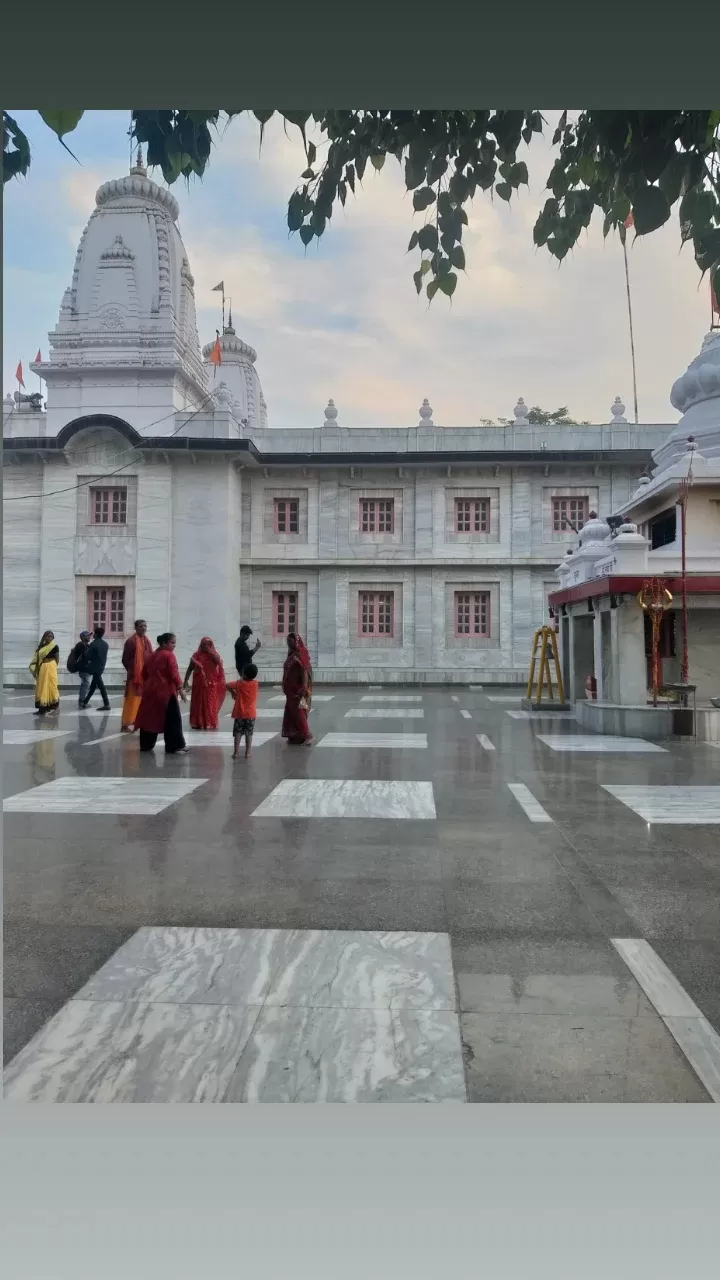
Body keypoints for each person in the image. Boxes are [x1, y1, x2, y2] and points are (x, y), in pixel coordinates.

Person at [135, 632, 188, 754]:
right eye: (172, 643)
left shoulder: (151, 656)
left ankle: (146, 745)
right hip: (166, 692)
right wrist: (181, 688)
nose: (174, 646)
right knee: (173, 719)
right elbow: (174, 673)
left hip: (150, 691)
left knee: (149, 717)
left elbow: (144, 674)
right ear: (164, 643)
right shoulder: (168, 655)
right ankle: (175, 745)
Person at [183, 636, 225, 730]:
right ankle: (198, 723)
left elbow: (219, 662)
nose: (206, 646)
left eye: (209, 644)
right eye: (204, 644)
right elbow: (190, 668)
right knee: (198, 703)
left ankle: (210, 722)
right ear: (201, 645)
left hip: (211, 684)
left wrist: (211, 652)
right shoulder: (196, 655)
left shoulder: (214, 655)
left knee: (210, 703)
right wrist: (186, 680)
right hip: (198, 684)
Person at [281, 632, 313, 746]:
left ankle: (307, 735)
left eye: (291, 641)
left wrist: (304, 688)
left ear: (297, 641)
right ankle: (295, 735)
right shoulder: (292, 654)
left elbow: (304, 671)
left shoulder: (299, 654)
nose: (288, 643)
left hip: (298, 690)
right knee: (291, 712)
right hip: (290, 689)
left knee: (299, 712)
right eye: (287, 641)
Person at [121, 620, 153, 732]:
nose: (143, 628)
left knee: (142, 700)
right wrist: (133, 671)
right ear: (136, 628)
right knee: (132, 699)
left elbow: (151, 657)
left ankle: (137, 721)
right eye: (140, 626)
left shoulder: (147, 641)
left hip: (145, 676)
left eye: (145, 626)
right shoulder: (131, 641)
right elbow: (125, 659)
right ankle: (125, 724)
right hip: (134, 677)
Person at [224, 661, 259, 759]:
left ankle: (235, 752)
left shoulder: (239, 684)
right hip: (251, 714)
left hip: (239, 713)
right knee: (249, 733)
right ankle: (248, 753)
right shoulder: (255, 684)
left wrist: (233, 692)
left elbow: (227, 685)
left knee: (238, 733)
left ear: (244, 674)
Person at [30, 630, 60, 716]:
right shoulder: (42, 646)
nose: (50, 638)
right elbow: (37, 656)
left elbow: (57, 659)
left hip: (51, 666)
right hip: (42, 667)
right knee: (41, 686)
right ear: (44, 637)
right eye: (48, 636)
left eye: (51, 636)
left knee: (52, 686)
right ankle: (42, 709)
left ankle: (56, 708)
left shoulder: (54, 646)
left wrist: (53, 666)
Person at [80, 625, 111, 710]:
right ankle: (85, 702)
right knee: (93, 686)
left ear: (96, 634)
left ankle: (107, 704)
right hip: (101, 667)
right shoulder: (105, 644)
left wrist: (85, 652)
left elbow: (88, 657)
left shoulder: (93, 644)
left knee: (101, 687)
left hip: (94, 668)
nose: (93, 635)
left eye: (94, 633)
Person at [67, 630, 92, 707]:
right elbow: (86, 656)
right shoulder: (81, 645)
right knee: (86, 683)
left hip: (84, 668)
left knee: (85, 683)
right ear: (83, 637)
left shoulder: (86, 645)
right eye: (87, 635)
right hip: (83, 668)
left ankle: (82, 700)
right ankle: (82, 701)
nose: (89, 637)